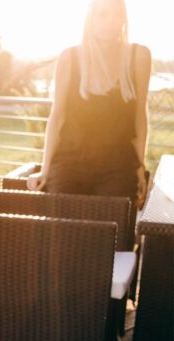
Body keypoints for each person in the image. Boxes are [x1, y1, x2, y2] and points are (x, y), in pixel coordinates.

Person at [27, 0, 151, 207]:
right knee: (61, 228)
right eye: (103, 15)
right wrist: (46, 169)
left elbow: (140, 116)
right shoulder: (70, 57)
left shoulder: (139, 55)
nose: (111, 22)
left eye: (117, 15)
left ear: (124, 18)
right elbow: (57, 117)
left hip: (118, 164)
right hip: (70, 161)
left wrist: (139, 165)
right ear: (90, 19)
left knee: (111, 228)